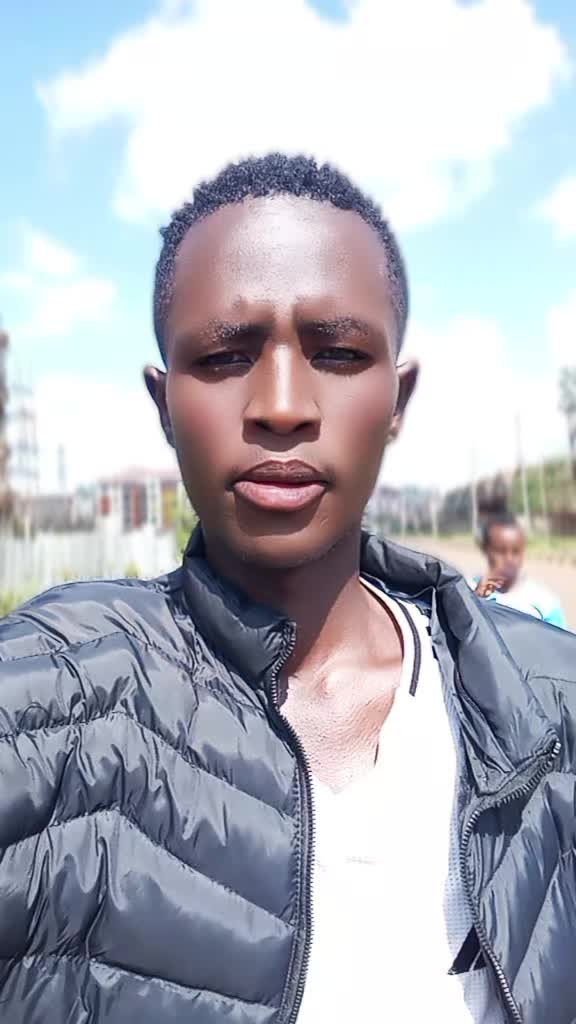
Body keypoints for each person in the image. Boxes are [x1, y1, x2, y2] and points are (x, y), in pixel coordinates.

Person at [1, 154, 575, 1024]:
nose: (281, 405)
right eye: (223, 355)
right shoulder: (65, 700)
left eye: (338, 352)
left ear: (397, 398)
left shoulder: (550, 702)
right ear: (162, 404)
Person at [472, 514, 567, 628]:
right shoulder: (469, 590)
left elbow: (558, 638)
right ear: (486, 550)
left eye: (516, 551)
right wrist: (475, 600)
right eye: (500, 551)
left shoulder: (545, 603)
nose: (509, 559)